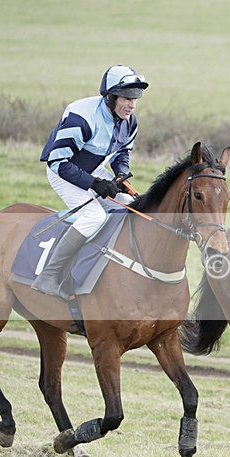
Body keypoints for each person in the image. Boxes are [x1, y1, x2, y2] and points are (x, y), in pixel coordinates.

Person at [31, 64, 148, 298]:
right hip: (62, 173)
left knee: (130, 207)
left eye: (135, 98)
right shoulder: (81, 117)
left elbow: (122, 153)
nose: (132, 105)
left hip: (93, 169)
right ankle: (50, 276)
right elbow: (57, 163)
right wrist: (94, 184)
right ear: (110, 97)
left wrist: (119, 174)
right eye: (127, 98)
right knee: (94, 216)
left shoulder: (129, 121)